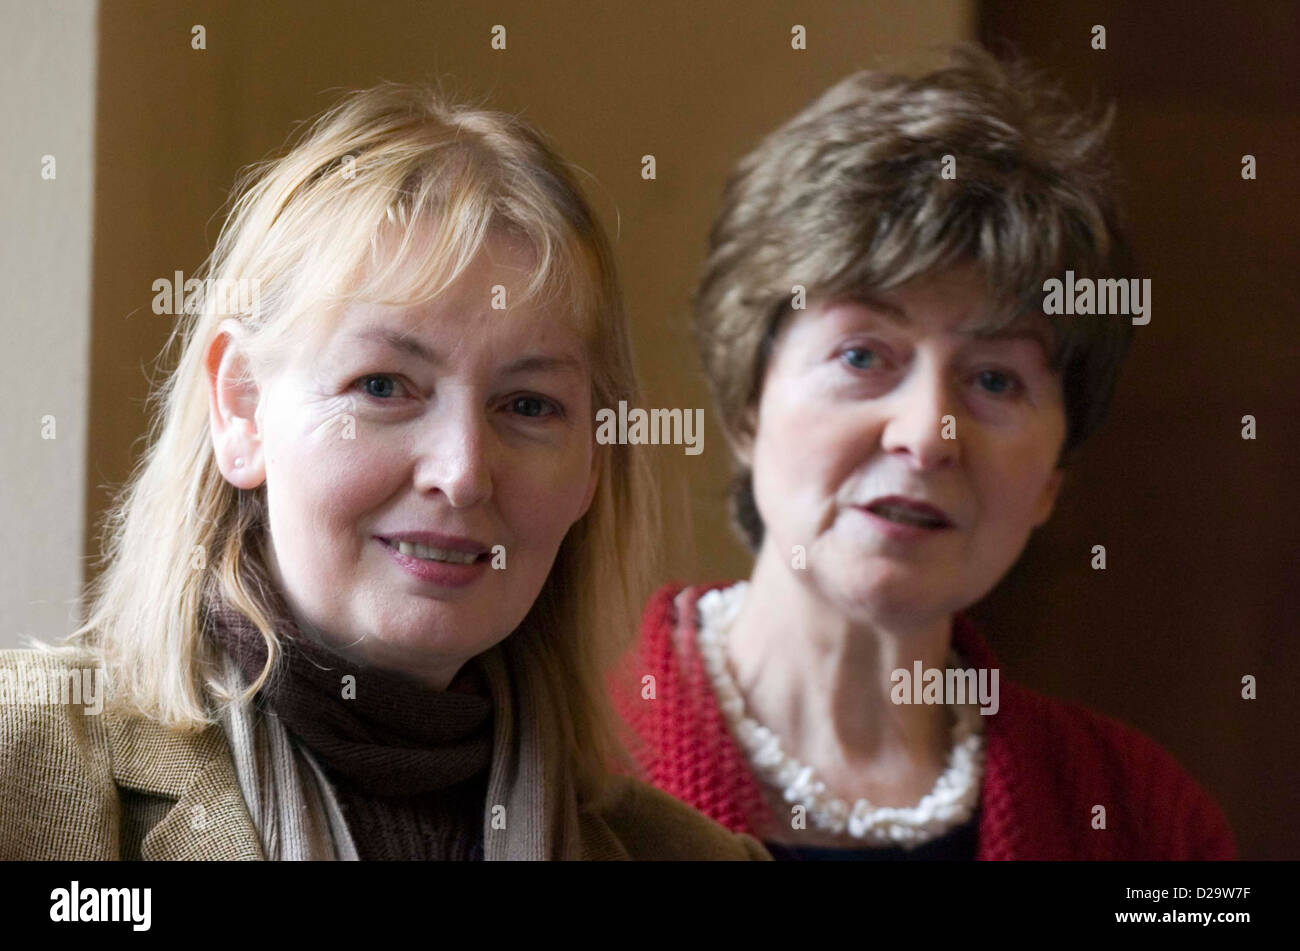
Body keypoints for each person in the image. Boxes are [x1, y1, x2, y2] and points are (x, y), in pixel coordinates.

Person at [0, 82, 769, 861]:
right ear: (241, 407)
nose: (464, 472)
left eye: (529, 405)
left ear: (593, 464)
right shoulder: (18, 772)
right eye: (381, 386)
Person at [613, 48, 1236, 860]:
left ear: (1053, 475)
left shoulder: (1143, 823)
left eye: (995, 380)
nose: (928, 434)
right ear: (747, 405)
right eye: (864, 356)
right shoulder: (565, 750)